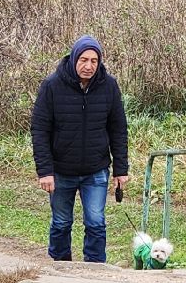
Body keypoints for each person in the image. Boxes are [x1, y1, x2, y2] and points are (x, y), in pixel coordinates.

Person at [29, 35, 130, 263]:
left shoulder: (109, 86)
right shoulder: (52, 86)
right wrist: (45, 172)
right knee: (62, 222)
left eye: (94, 61)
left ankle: (94, 270)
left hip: (96, 170)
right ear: (74, 59)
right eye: (84, 60)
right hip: (61, 171)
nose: (89, 66)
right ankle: (60, 267)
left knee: (96, 222)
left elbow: (118, 130)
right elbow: (39, 131)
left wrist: (121, 169)